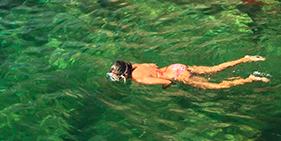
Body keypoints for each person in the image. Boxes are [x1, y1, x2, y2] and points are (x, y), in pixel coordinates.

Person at [107, 55, 268, 89]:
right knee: (216, 69)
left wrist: (165, 88)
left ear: (125, 75)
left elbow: (167, 81)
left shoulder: (137, 78)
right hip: (176, 66)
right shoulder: (136, 65)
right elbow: (153, 64)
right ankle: (245, 59)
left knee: (218, 86)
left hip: (177, 75)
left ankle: (250, 79)